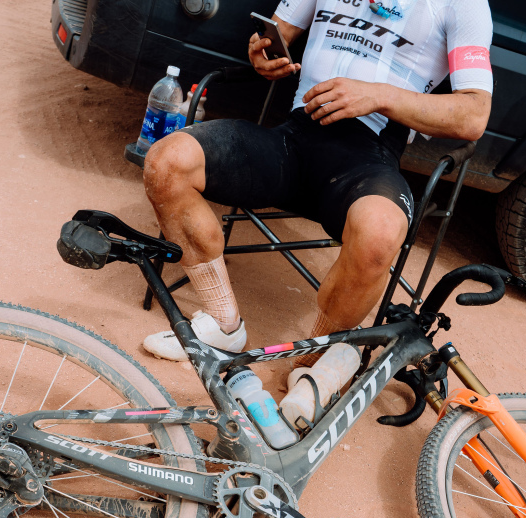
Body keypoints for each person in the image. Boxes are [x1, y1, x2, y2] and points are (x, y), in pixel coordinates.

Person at [140, 0, 493, 367]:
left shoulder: (463, 5)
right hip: (292, 140)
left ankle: (310, 361)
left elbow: (474, 115)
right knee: (167, 162)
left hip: (365, 159)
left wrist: (379, 95)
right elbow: (275, 33)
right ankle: (223, 324)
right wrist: (261, 52)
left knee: (381, 233)